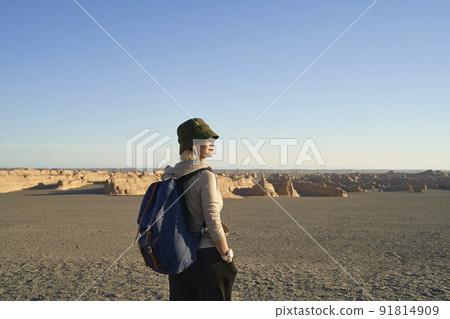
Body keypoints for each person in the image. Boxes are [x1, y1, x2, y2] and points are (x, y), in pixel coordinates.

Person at [161, 118, 237, 301]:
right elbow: (212, 221)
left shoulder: (170, 175)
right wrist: (226, 255)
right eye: (206, 138)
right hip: (207, 258)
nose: (212, 142)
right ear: (192, 144)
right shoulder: (205, 175)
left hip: (179, 258)